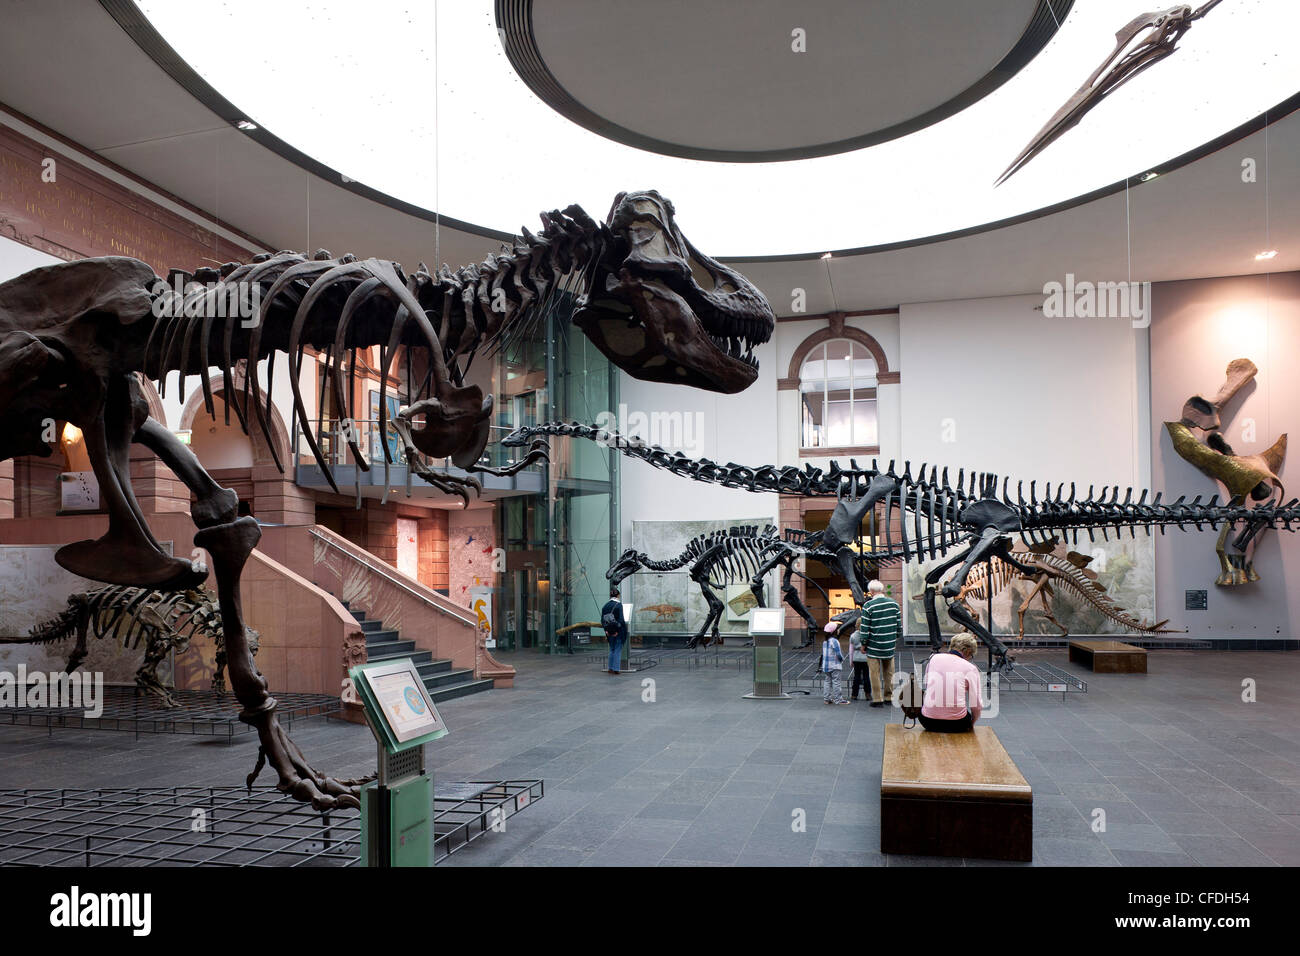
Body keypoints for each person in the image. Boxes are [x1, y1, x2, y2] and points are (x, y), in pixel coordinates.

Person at [920, 632, 984, 732]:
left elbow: (928, 686)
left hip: (927, 721)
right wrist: (971, 723)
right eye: (971, 655)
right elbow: (976, 704)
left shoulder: (934, 658)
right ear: (967, 652)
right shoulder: (970, 668)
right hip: (957, 724)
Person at [860, 579, 901, 708]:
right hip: (889, 644)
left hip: (873, 645)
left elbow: (864, 627)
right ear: (882, 590)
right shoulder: (894, 604)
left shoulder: (868, 606)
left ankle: (878, 699)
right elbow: (899, 627)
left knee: (874, 673)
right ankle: (889, 697)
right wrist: (892, 638)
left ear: (871, 591)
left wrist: (863, 643)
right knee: (889, 672)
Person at [820, 621, 848, 705]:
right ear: (834, 631)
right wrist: (842, 659)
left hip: (826, 666)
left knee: (827, 681)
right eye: (837, 628)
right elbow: (838, 653)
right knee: (836, 682)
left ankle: (826, 699)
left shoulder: (825, 642)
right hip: (835, 666)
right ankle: (838, 699)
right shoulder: (834, 641)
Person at [601, 587, 628, 675]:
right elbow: (621, 620)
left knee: (612, 649)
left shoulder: (605, 606)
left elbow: (603, 620)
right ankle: (616, 668)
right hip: (618, 632)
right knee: (617, 649)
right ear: (618, 595)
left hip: (609, 631)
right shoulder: (619, 605)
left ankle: (610, 668)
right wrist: (618, 630)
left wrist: (607, 630)